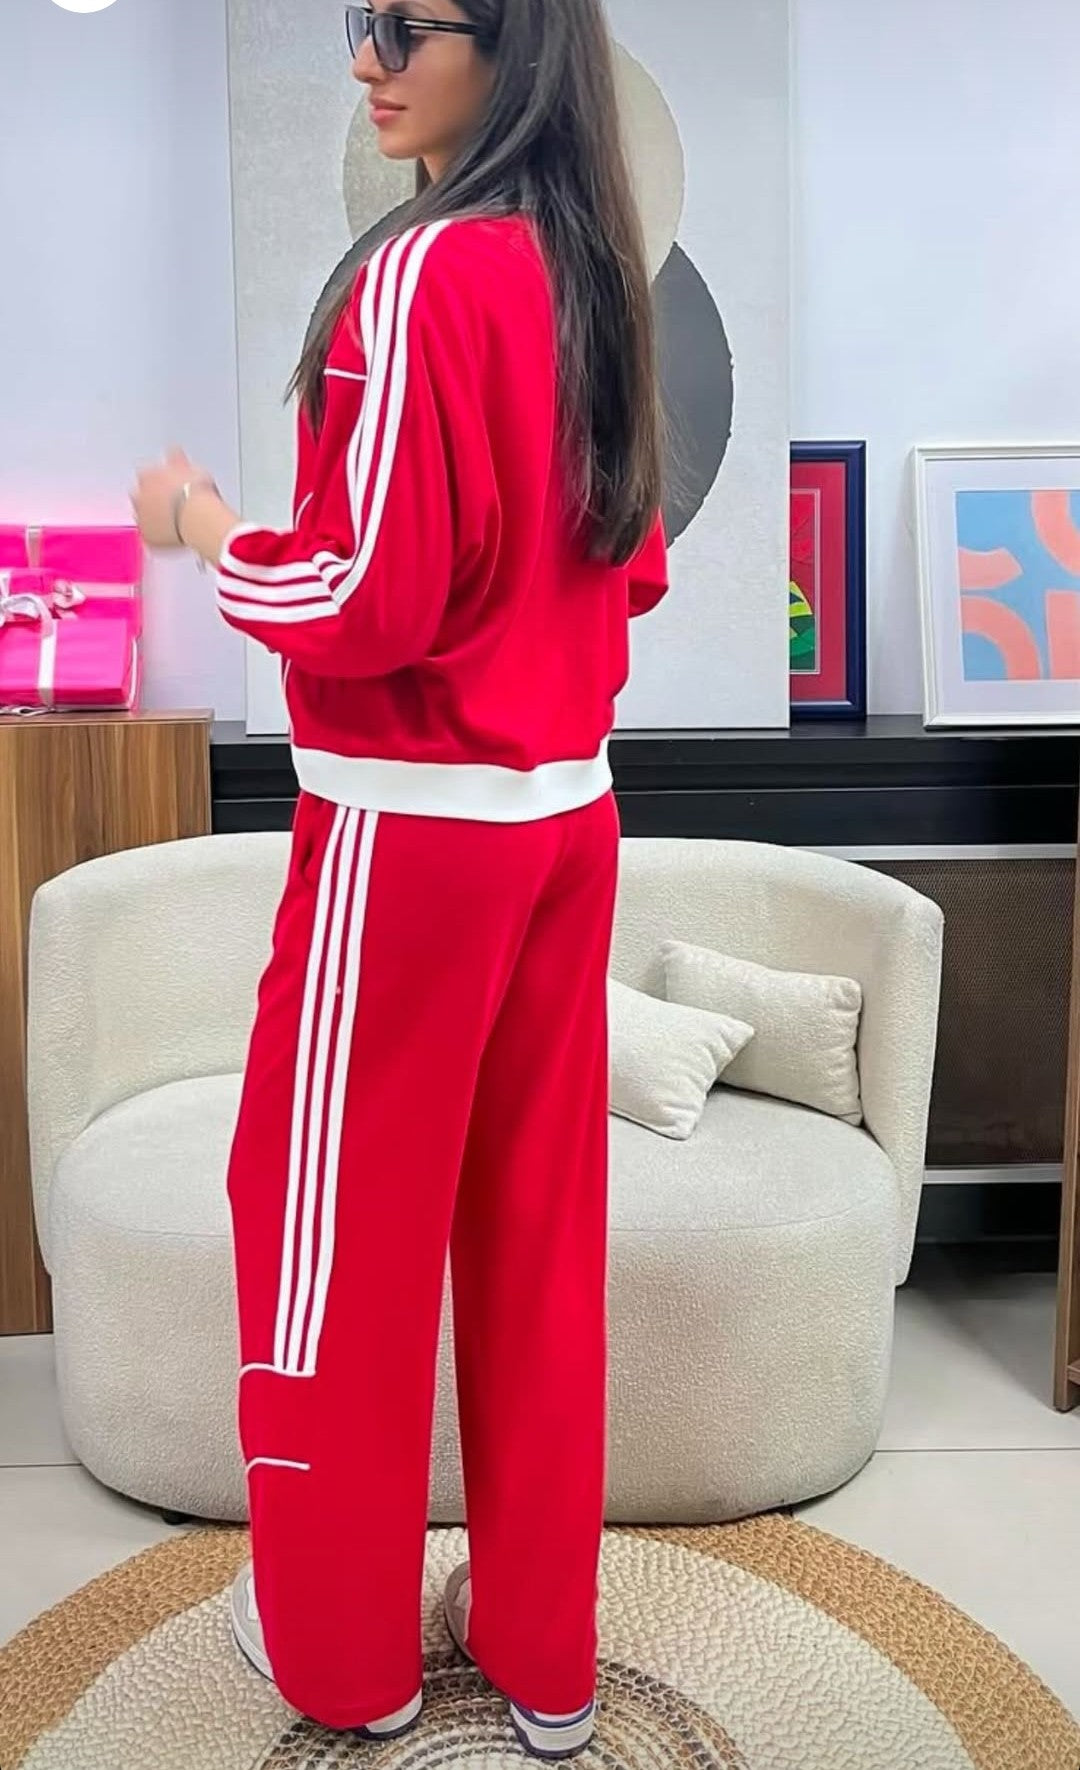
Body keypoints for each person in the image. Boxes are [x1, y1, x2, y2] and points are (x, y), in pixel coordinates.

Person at [132, 0, 668, 1756]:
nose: (363, 57)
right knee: (535, 1240)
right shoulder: (592, 271)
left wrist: (202, 526)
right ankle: (547, 1655)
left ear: (510, 46)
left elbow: (357, 590)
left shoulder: (423, 272)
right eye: (359, 22)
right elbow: (627, 565)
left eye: (401, 24)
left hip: (407, 833)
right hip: (565, 821)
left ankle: (344, 1658)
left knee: (327, 1239)